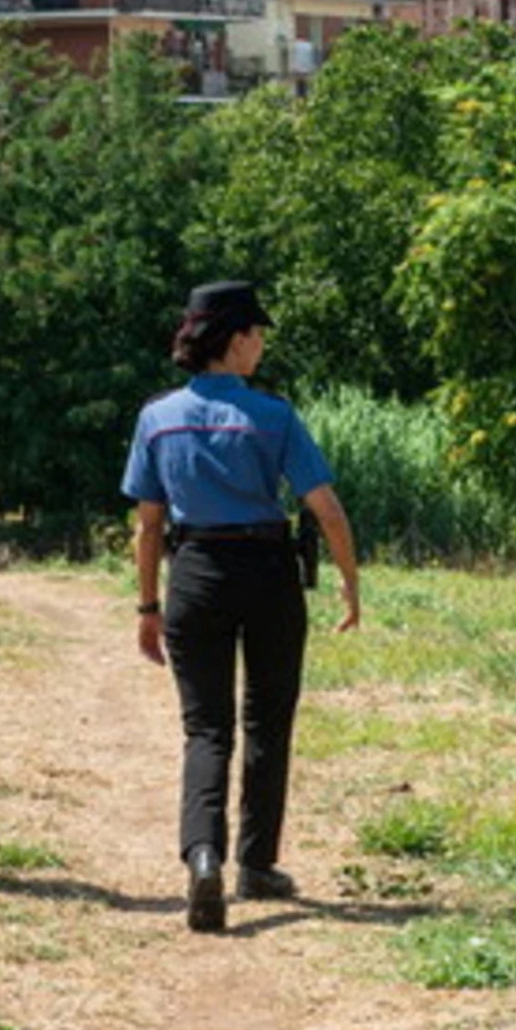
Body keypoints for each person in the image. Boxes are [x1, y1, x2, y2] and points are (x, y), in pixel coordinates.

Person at [123, 280, 361, 933]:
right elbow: (326, 508)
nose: (261, 346)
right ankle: (257, 864)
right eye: (257, 334)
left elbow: (147, 523)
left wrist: (148, 604)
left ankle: (203, 857)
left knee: (206, 729)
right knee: (267, 719)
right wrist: (349, 580)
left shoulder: (157, 418)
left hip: (193, 573)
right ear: (235, 340)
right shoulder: (274, 416)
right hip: (267, 573)